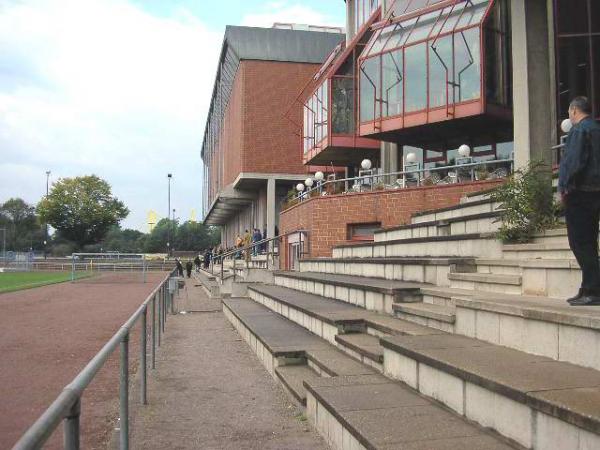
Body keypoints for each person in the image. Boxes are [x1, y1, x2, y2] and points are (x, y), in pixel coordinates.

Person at [559, 96, 600, 306]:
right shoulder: (596, 128)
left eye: (569, 113)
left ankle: (594, 290)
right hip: (595, 193)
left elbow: (573, 162)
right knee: (590, 242)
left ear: (574, 111)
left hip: (580, 193)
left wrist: (564, 187)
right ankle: (587, 287)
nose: (569, 117)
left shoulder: (579, 130)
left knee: (579, 242)